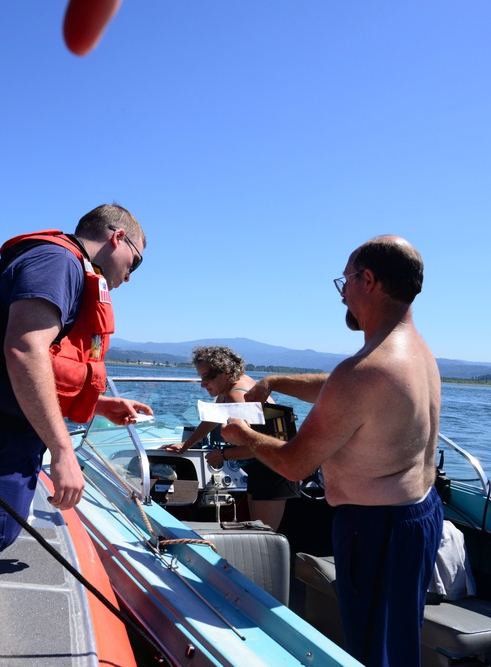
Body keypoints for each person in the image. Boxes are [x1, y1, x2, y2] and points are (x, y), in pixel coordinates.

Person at [220, 235, 443, 667]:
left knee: (375, 651)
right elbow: (344, 390)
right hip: (417, 515)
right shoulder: (412, 353)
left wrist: (243, 434)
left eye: (345, 281)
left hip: (379, 529)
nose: (342, 292)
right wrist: (275, 382)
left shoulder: (365, 371)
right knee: (396, 641)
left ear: (369, 280)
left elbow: (294, 463)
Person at [0, 204, 152, 569]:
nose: (129, 277)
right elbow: (25, 349)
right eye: (136, 262)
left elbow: (36, 363)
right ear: (118, 237)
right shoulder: (58, 262)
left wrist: (97, 406)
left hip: (1, 436)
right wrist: (63, 450)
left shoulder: (69, 266)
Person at [163, 345, 299, 531]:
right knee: (258, 531)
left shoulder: (237, 395)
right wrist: (186, 444)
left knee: (263, 536)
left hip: (272, 472)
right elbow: (213, 418)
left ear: (225, 373)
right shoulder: (232, 386)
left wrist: (224, 455)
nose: (203, 383)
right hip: (263, 469)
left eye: (207, 377)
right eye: (201, 377)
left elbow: (257, 447)